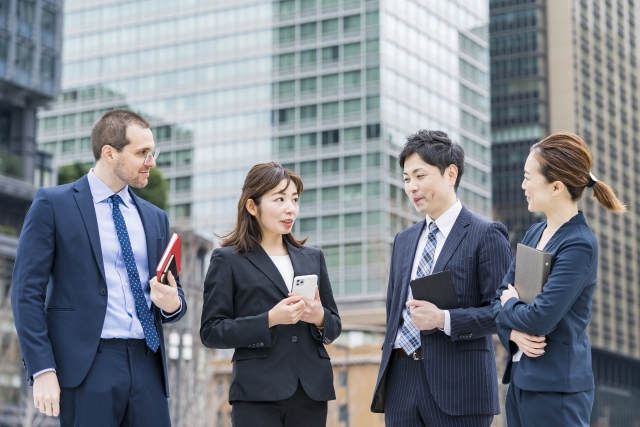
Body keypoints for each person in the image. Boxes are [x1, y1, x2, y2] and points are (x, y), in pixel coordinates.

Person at [11, 109, 186, 426]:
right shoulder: (53, 204)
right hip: (88, 366)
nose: (152, 162)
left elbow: (175, 294)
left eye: (152, 152)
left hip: (148, 366)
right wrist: (42, 369)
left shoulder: (155, 217)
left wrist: (174, 303)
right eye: (142, 153)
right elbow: (26, 293)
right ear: (109, 153)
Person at [370, 130, 512, 426]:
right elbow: (393, 312)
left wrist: (443, 319)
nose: (412, 187)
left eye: (420, 176)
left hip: (460, 386)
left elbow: (502, 313)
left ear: (450, 174)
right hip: (401, 382)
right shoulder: (404, 240)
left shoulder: (486, 234)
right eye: (407, 178)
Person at [492, 132, 626, 426]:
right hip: (520, 383)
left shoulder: (579, 244)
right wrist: (512, 335)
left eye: (529, 177)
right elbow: (496, 299)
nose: (523, 185)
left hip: (557, 393)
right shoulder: (533, 233)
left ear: (556, 187)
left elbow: (541, 317)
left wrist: (510, 303)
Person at [200, 162, 341, 427]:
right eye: (280, 199)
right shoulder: (228, 260)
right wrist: (270, 319)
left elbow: (334, 325)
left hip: (311, 391)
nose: (291, 208)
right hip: (257, 392)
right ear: (252, 207)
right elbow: (211, 331)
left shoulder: (313, 258)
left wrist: (319, 316)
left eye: (295, 200)